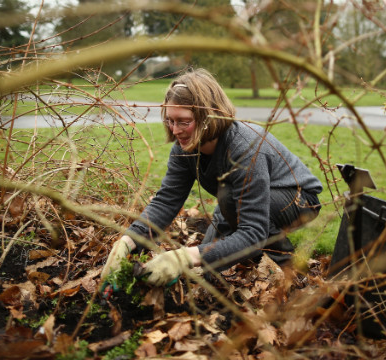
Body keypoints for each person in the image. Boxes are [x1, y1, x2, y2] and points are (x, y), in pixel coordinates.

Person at [100, 68, 322, 287]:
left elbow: (254, 231)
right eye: (170, 120)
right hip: (238, 200)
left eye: (184, 121)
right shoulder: (184, 149)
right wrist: (128, 241)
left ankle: (295, 275)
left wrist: (183, 256)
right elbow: (167, 201)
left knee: (233, 215)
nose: (175, 130)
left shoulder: (245, 148)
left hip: (299, 199)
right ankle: (254, 261)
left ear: (208, 116)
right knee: (202, 269)